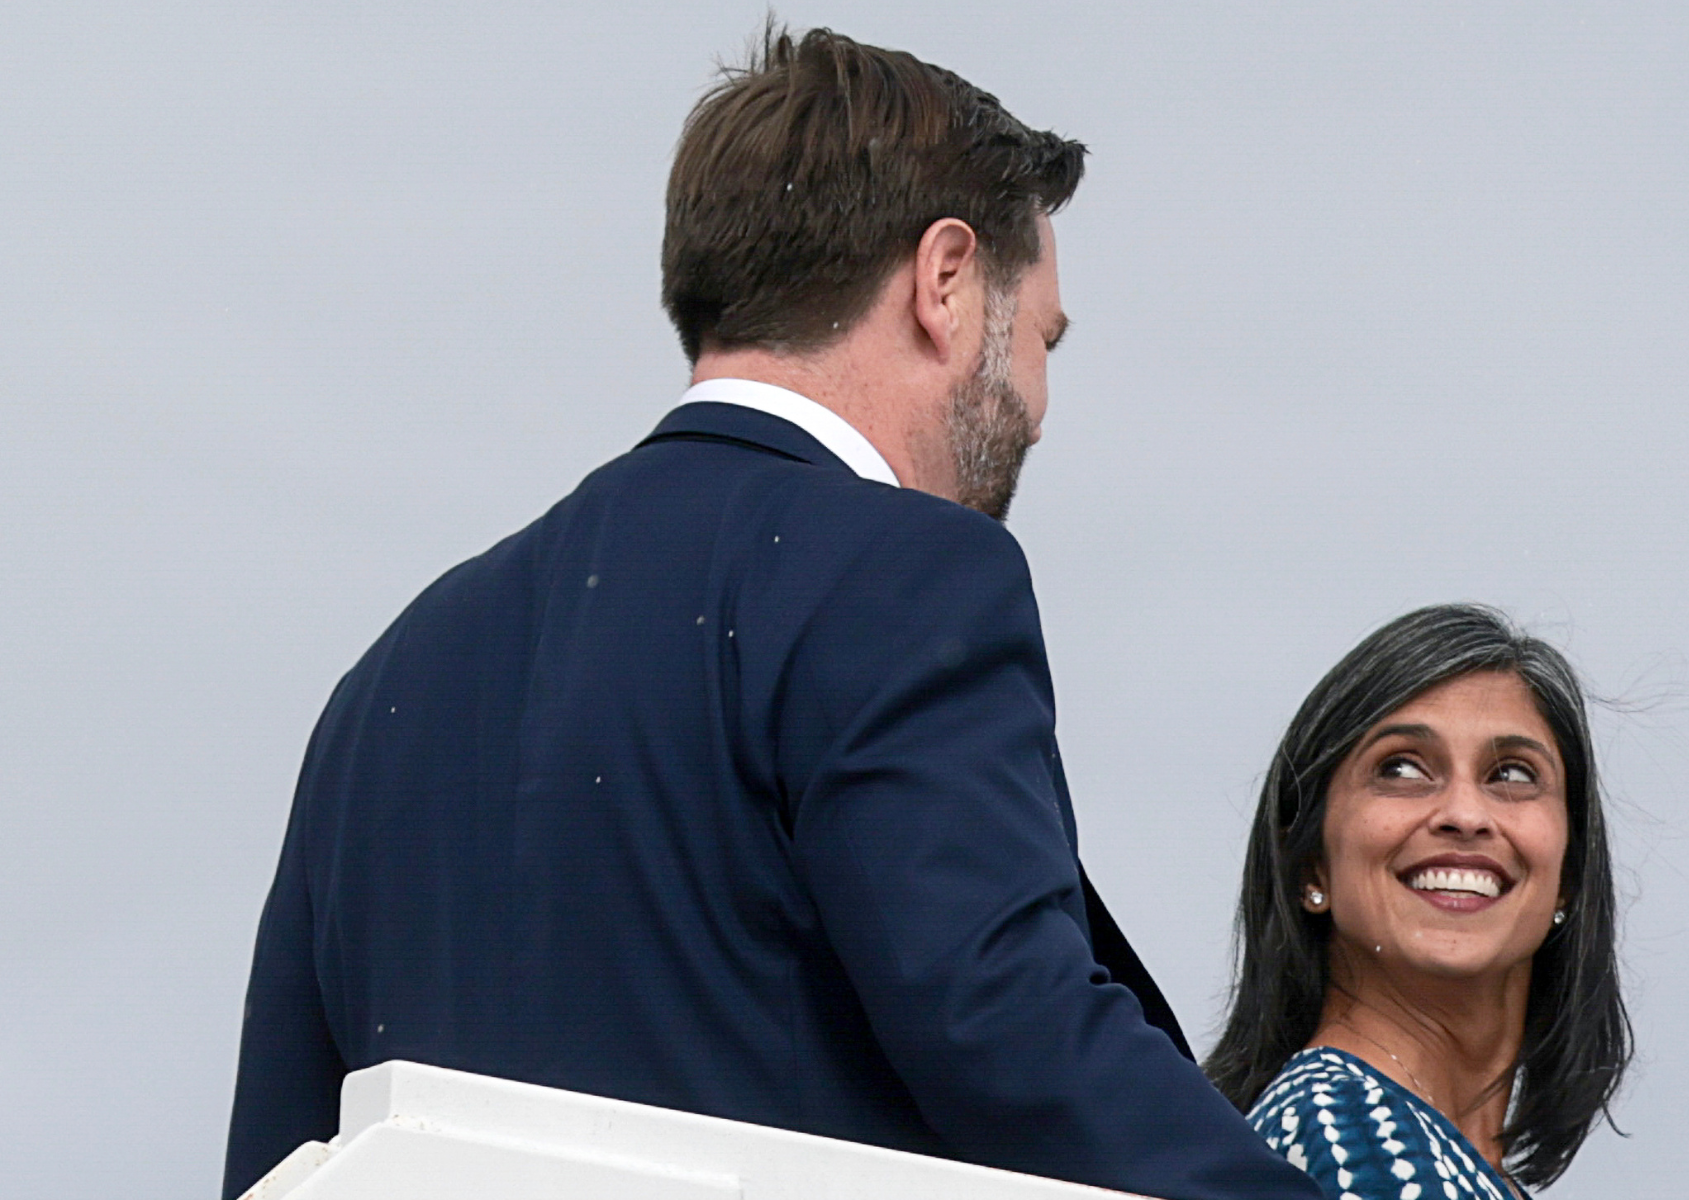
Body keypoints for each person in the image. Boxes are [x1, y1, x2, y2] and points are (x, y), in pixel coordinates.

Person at [222, 26, 1318, 1200]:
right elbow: (1008, 1029)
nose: (1041, 407)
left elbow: (283, 1160)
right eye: (1043, 336)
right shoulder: (899, 571)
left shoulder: (390, 681)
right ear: (945, 281)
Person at [1205, 605, 1634, 1198]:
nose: (1464, 814)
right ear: (1309, 863)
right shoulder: (1342, 1140)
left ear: (1569, 873)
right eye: (1402, 768)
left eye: (1511, 774)